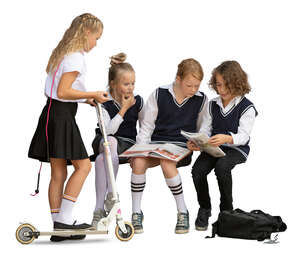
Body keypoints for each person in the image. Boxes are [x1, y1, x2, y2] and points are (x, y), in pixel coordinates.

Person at [28, 13, 109, 241]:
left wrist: (84, 99)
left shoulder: (63, 54)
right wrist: (92, 93)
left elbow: (61, 92)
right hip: (61, 116)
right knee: (83, 166)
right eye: (97, 37)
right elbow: (64, 91)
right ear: (86, 32)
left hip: (51, 113)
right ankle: (65, 219)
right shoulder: (75, 57)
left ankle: (58, 225)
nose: (96, 43)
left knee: (58, 173)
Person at [130, 58, 207, 234]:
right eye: (189, 85)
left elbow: (204, 129)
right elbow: (147, 127)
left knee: (166, 162)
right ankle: (136, 212)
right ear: (178, 79)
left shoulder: (201, 99)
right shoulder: (159, 94)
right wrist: (138, 151)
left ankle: (182, 211)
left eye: (197, 86)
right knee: (139, 161)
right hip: (156, 144)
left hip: (182, 145)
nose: (194, 90)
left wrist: (198, 143)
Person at [188, 60, 258, 231]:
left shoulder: (247, 107)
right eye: (219, 85)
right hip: (213, 147)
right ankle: (204, 208)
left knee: (222, 167)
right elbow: (205, 129)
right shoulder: (212, 104)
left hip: (236, 148)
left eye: (227, 85)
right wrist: (199, 142)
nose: (222, 90)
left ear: (237, 84)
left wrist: (227, 139)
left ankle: (227, 211)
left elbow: (244, 136)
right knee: (197, 171)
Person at [90, 53, 144, 228]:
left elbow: (145, 128)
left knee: (100, 160)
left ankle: (98, 210)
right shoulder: (103, 102)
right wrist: (123, 109)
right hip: (104, 139)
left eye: (133, 83)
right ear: (113, 84)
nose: (130, 88)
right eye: (126, 84)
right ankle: (112, 196)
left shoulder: (138, 101)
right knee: (110, 142)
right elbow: (108, 131)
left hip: (127, 144)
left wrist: (140, 151)